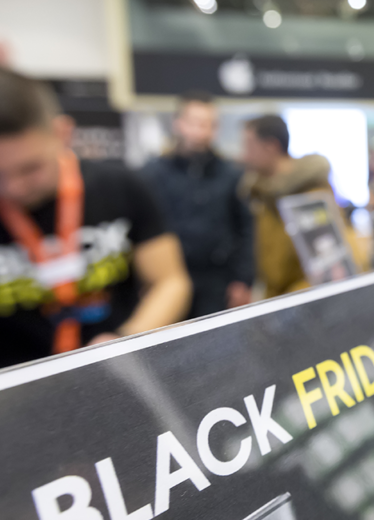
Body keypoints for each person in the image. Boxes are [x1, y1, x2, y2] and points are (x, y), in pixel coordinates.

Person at [0, 69, 191, 368]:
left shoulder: (121, 186)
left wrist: (126, 339)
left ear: (62, 133)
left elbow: (170, 281)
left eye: (30, 168)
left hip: (116, 374)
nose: (14, 187)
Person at [140, 91, 253, 318]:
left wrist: (243, 279)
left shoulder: (232, 174)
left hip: (218, 281)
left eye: (209, 124)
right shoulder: (152, 174)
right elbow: (142, 231)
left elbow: (246, 228)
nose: (201, 132)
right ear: (179, 124)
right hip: (169, 278)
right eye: (195, 123)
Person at [241, 115, 348, 299]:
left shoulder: (311, 194)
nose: (244, 156)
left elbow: (330, 268)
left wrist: (285, 309)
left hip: (305, 309)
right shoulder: (262, 194)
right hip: (274, 306)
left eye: (249, 147)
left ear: (271, 146)